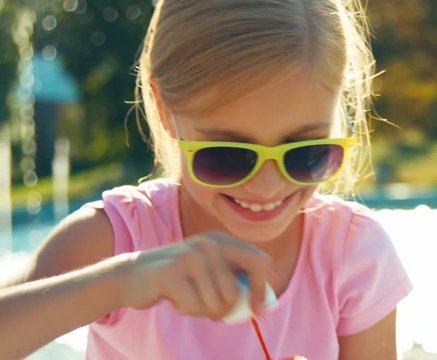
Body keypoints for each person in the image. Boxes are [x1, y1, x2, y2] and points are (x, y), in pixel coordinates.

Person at [0, 0, 412, 359]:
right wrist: (122, 281)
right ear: (164, 108)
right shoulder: (117, 239)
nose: (267, 187)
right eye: (228, 157)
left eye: (305, 153)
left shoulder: (353, 256)